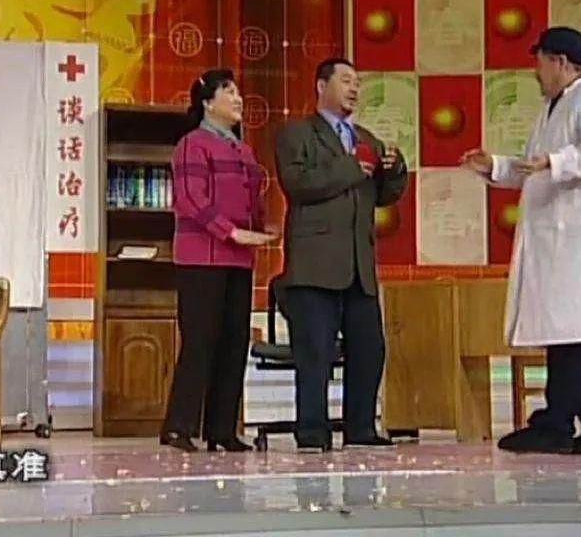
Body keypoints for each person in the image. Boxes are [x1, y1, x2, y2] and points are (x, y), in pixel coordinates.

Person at [460, 26, 581, 455]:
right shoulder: (553, 107)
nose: (535, 71)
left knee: (574, 332)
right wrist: (494, 166)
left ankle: (555, 424)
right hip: (559, 241)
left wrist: (555, 161)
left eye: (539, 62)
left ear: (559, 62)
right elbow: (533, 166)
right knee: (578, 332)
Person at [275, 57, 409, 451]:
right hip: (315, 264)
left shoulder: (365, 138)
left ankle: (361, 428)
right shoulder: (296, 133)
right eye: (346, 81)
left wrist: (394, 170)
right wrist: (353, 167)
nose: (354, 89)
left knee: (369, 348)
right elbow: (298, 184)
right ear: (321, 86)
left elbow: (383, 195)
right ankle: (312, 432)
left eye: (357, 83)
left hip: (359, 265)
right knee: (314, 353)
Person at [160, 69, 277, 453]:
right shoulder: (192, 144)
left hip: (239, 260)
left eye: (238, 91)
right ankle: (179, 426)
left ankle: (222, 430)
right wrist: (232, 232)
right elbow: (191, 199)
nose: (238, 98)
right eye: (228, 91)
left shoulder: (244, 150)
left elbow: (252, 200)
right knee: (200, 341)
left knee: (234, 341)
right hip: (201, 259)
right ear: (207, 102)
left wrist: (261, 229)